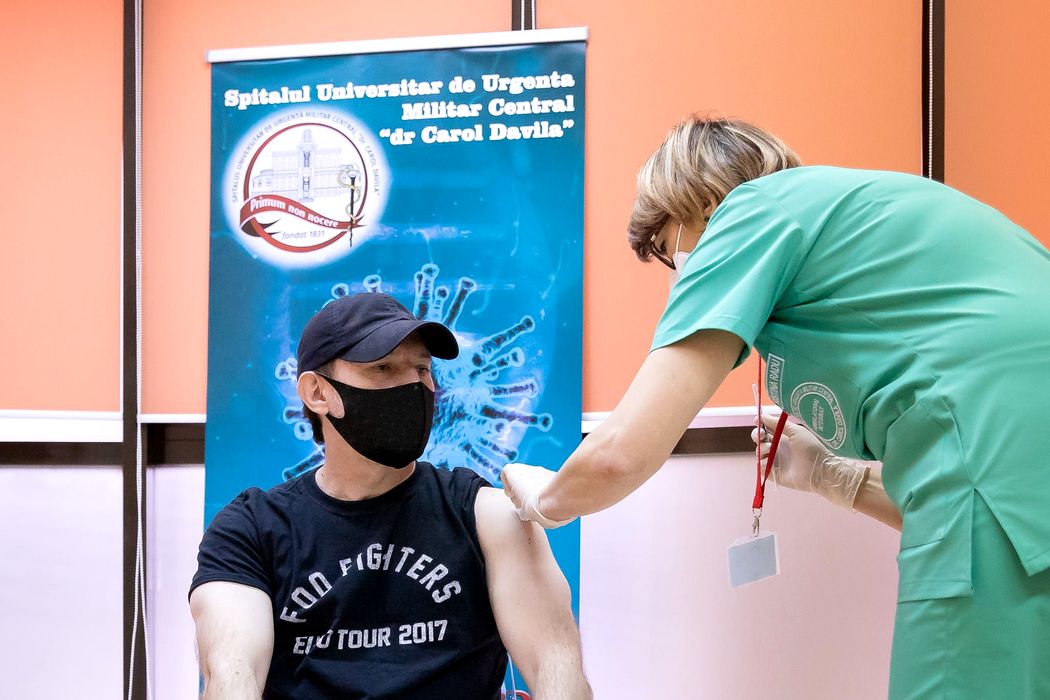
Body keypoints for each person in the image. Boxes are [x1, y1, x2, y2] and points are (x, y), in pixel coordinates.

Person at [502, 116, 1050, 698]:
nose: (677, 273)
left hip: (997, 475)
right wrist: (832, 475)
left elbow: (621, 452)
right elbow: (969, 497)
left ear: (702, 202)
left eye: (667, 251)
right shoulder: (868, 220)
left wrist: (546, 499)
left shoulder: (752, 212)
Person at [190, 292, 591, 700]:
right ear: (317, 393)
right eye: (383, 367)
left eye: (422, 368)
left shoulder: (484, 514)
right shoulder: (252, 530)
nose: (412, 385)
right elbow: (232, 674)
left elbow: (555, 664)